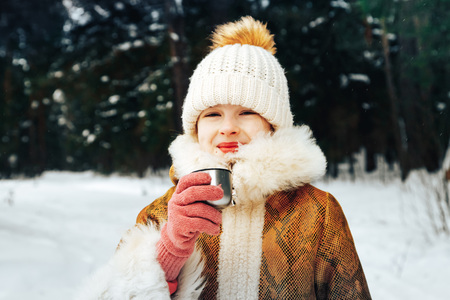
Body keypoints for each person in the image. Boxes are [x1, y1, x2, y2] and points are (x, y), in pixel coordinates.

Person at [76, 16, 371, 299]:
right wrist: (169, 250)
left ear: (273, 123)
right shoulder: (164, 214)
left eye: (246, 112)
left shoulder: (317, 212)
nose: (228, 128)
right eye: (213, 114)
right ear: (195, 127)